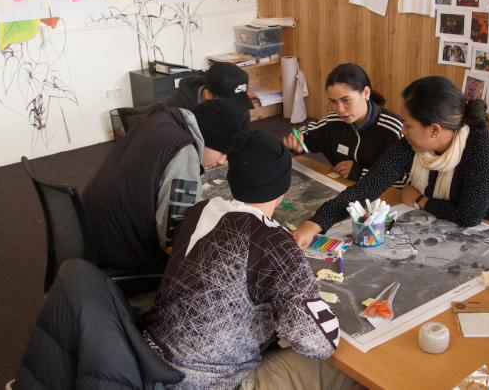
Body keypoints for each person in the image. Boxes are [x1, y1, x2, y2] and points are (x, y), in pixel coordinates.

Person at [144, 130, 353, 390]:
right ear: (285, 185)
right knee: (345, 374)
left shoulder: (201, 210)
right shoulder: (275, 244)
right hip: (210, 382)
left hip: (152, 359)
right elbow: (318, 343)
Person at [292, 76, 489, 248]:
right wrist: (315, 223)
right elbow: (365, 189)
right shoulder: (410, 146)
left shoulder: (484, 150)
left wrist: (421, 200)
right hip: (445, 228)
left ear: (434, 130)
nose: (403, 130)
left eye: (408, 124)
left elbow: (469, 215)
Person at [82, 100, 247, 271]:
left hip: (94, 233)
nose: (222, 161)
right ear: (207, 140)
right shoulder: (184, 153)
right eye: (223, 152)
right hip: (123, 255)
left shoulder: (160, 119)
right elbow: (175, 241)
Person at [283, 63, 405, 184]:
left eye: (346, 100)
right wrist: (298, 141)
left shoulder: (394, 129)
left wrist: (359, 173)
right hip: (345, 188)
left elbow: (405, 180)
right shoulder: (333, 121)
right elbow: (307, 134)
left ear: (366, 93)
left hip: (384, 197)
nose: (340, 109)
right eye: (333, 101)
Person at [163, 61, 253, 129]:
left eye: (239, 101)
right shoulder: (174, 113)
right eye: (229, 104)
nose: (236, 109)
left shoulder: (241, 108)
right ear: (208, 94)